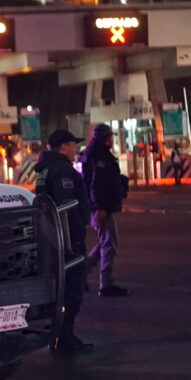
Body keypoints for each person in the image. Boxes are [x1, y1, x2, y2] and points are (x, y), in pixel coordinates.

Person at [36, 129, 94, 353]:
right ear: (62, 147)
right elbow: (66, 207)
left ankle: (58, 335)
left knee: (60, 289)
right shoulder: (61, 170)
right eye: (72, 144)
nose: (75, 149)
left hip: (51, 238)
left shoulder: (44, 168)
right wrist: (74, 235)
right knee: (71, 289)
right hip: (67, 241)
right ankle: (65, 337)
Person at [79, 123, 130, 298]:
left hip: (102, 206)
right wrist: (99, 207)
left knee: (107, 242)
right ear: (104, 138)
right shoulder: (98, 155)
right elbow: (96, 184)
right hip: (101, 207)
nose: (111, 140)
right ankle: (106, 284)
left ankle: (82, 273)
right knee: (109, 243)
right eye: (109, 136)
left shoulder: (94, 153)